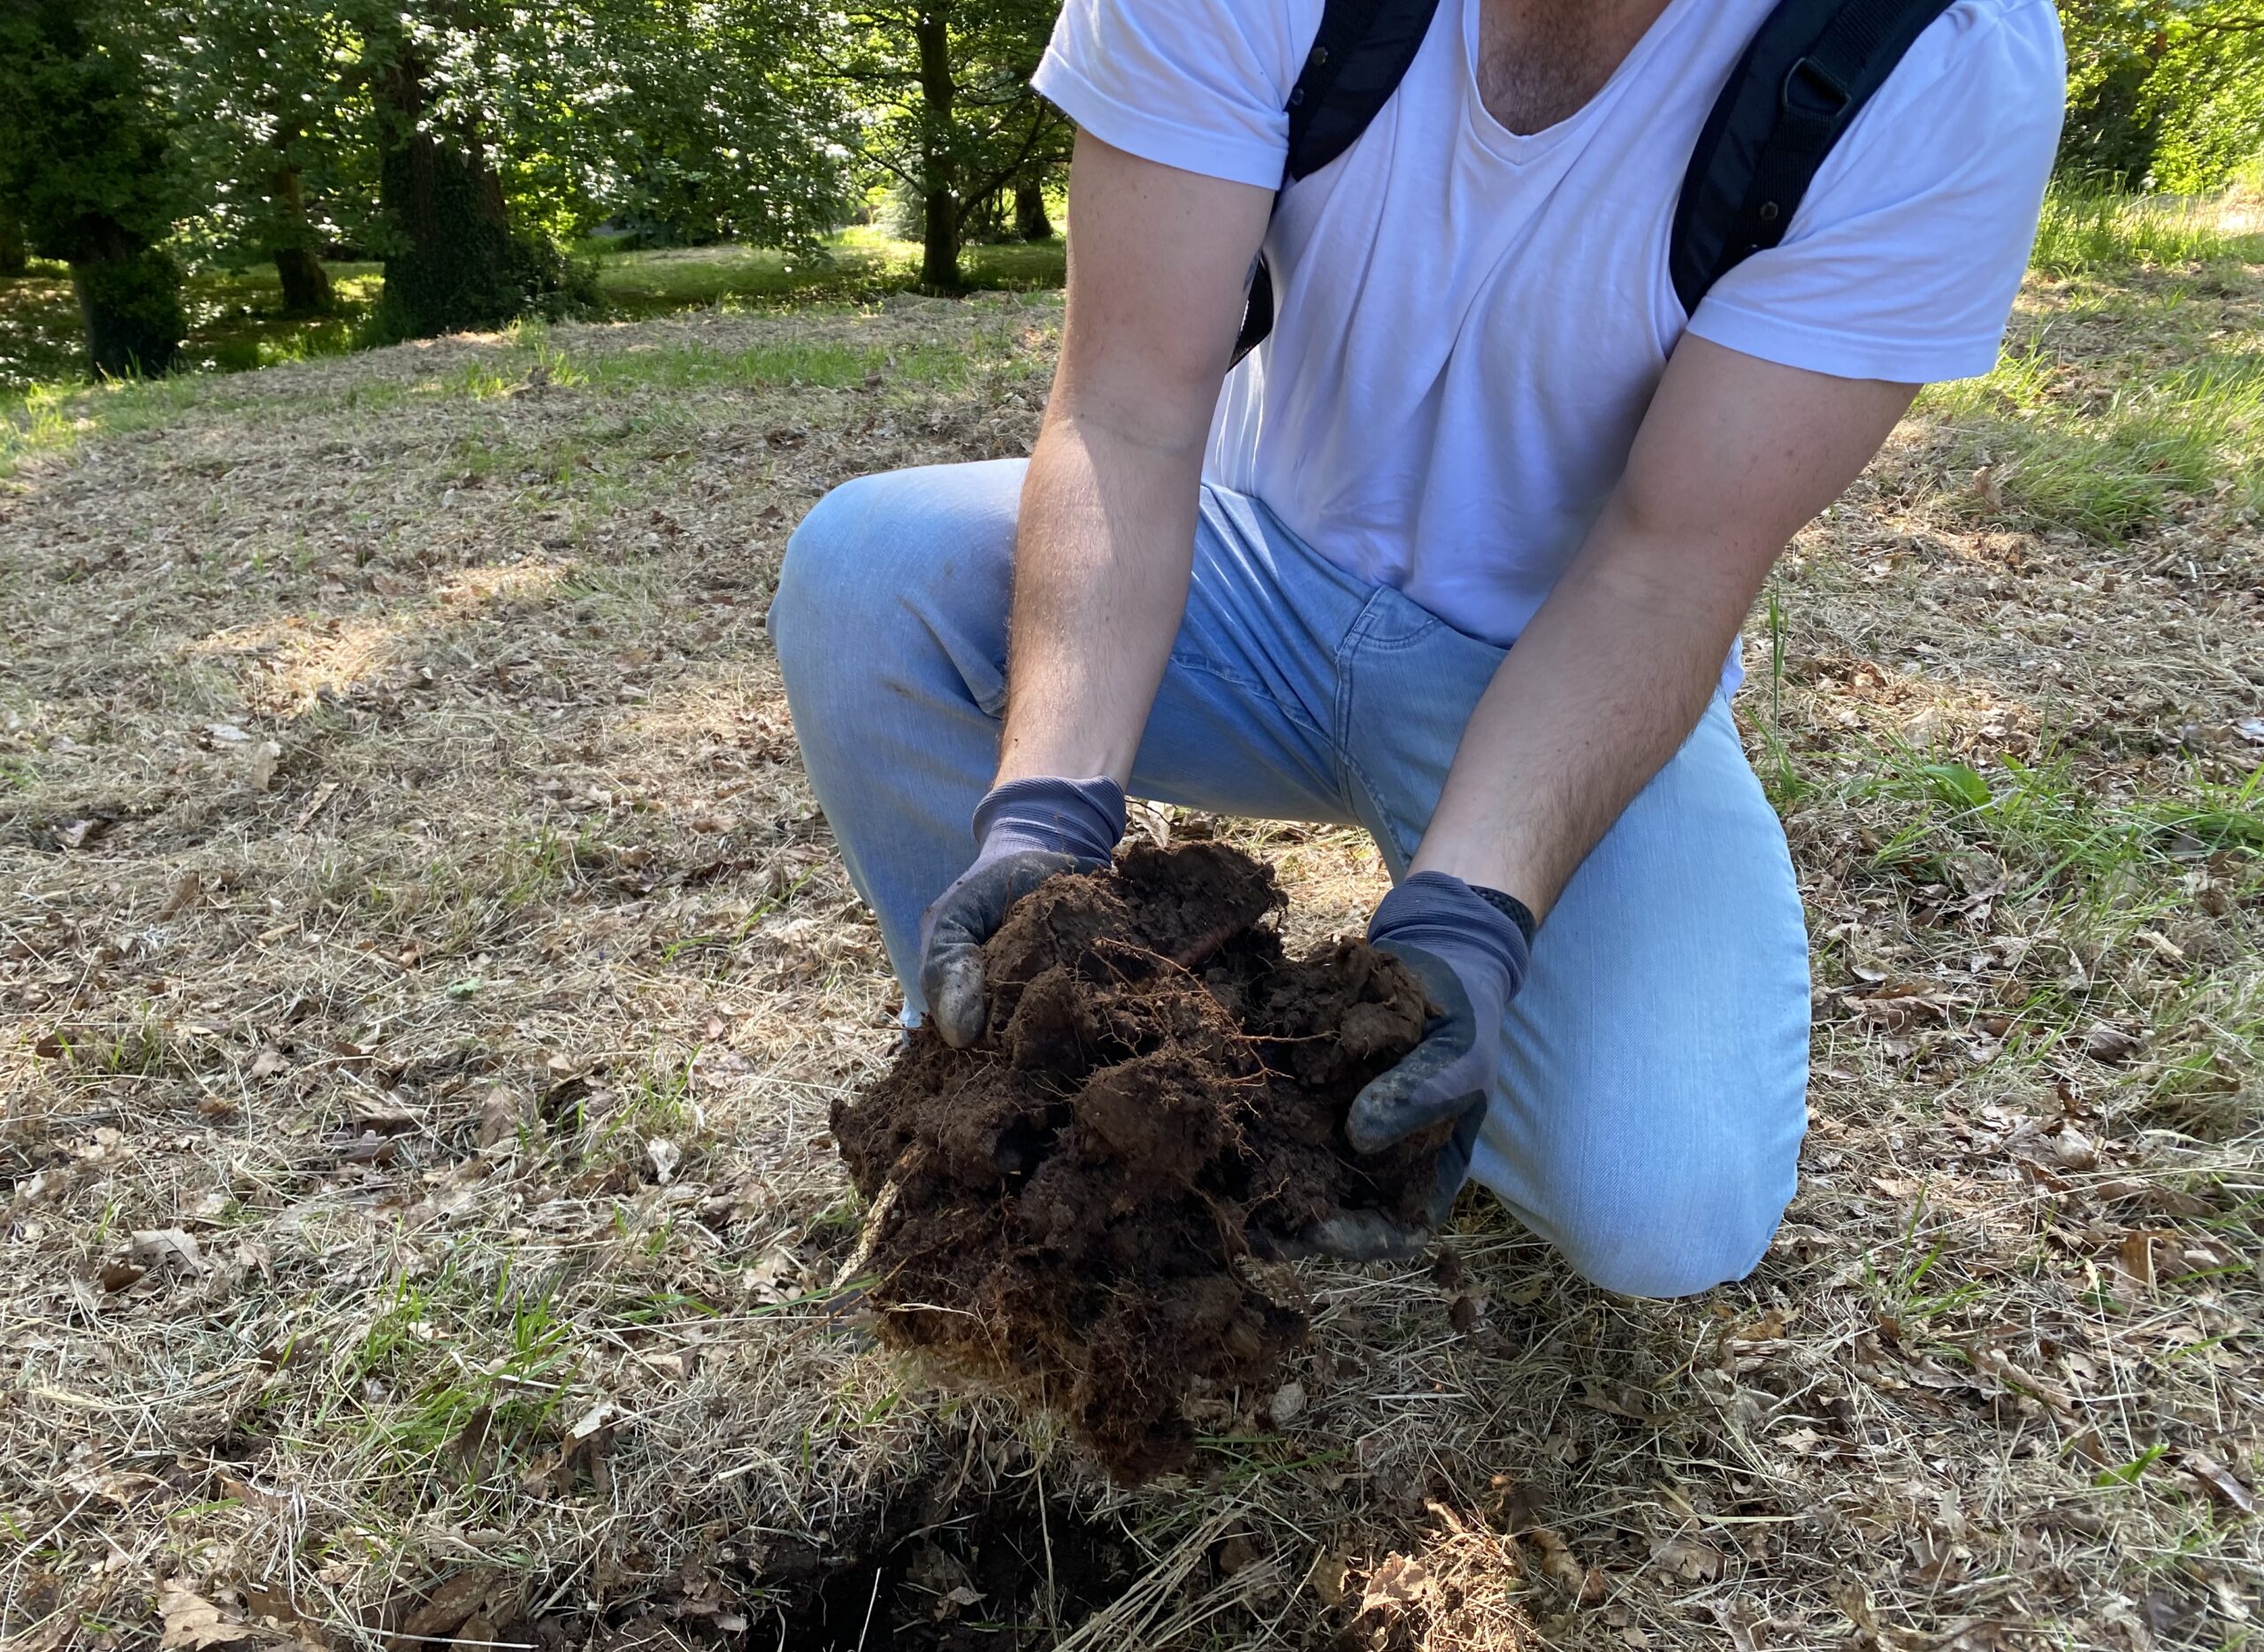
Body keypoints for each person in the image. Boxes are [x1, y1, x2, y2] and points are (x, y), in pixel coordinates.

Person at [772, 0, 2065, 1296]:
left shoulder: (1930, 56)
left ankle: (1390, 1075)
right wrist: (1044, 823)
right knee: (874, 571)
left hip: (1551, 659)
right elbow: (1127, 416)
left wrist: (1471, 920)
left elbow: (1667, 570)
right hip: (1246, 580)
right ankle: (1011, 1097)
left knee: (1661, 1205)